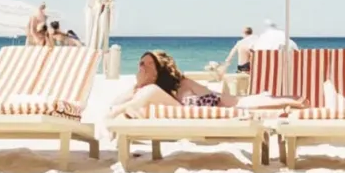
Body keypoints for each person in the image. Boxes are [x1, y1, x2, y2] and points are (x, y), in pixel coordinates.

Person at [109, 51, 309, 118]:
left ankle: (293, 101)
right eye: (141, 63)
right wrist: (136, 86)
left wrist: (289, 101)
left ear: (159, 68)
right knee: (145, 92)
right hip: (188, 112)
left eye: (149, 63)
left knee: (254, 101)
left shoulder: (178, 83)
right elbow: (114, 102)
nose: (143, 67)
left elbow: (240, 103)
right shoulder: (145, 90)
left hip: (228, 105)